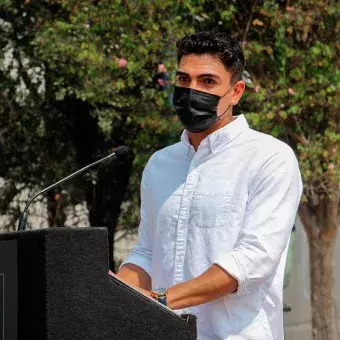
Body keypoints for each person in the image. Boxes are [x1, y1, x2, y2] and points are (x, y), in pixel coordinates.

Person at [116, 31, 303, 340]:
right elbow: (148, 253)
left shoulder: (270, 158)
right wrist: (111, 294)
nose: (192, 91)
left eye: (207, 82)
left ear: (236, 92)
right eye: (183, 80)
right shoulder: (160, 165)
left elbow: (250, 261)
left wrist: (161, 300)